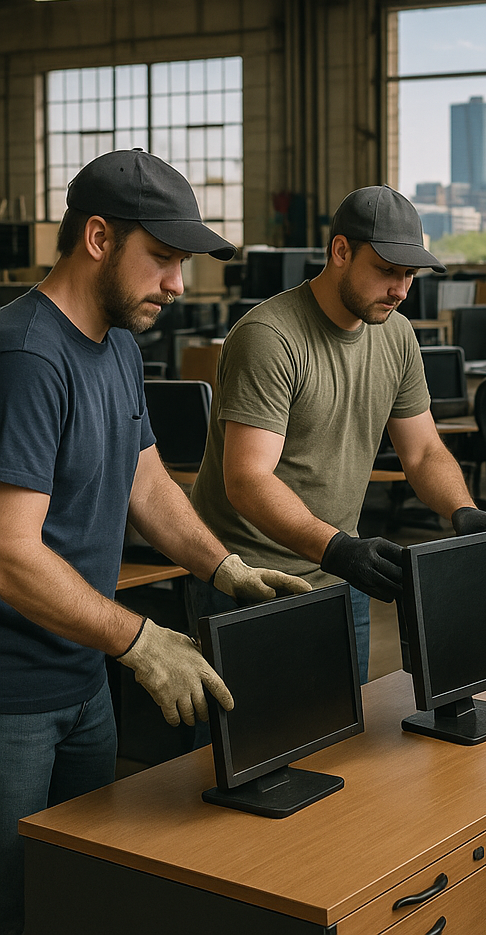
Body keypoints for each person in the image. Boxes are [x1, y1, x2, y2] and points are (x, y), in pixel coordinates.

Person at [0, 148, 311, 935]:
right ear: (98, 237)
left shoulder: (115, 346)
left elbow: (148, 486)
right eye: (164, 257)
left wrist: (227, 568)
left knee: (78, 894)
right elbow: (8, 552)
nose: (178, 284)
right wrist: (140, 640)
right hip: (12, 700)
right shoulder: (27, 357)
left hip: (83, 677)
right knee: (14, 902)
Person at [189, 184, 486, 683]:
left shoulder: (396, 334)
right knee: (251, 732)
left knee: (347, 728)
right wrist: (337, 548)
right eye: (387, 270)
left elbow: (423, 452)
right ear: (340, 251)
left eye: (409, 275)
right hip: (248, 579)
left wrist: (460, 510)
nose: (401, 290)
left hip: (338, 571)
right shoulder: (270, 337)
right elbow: (247, 479)